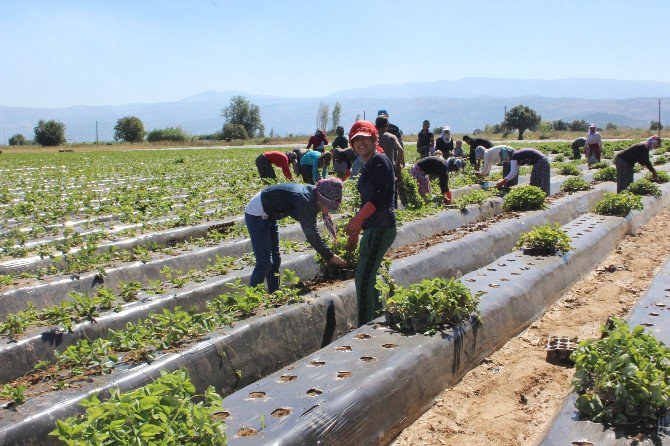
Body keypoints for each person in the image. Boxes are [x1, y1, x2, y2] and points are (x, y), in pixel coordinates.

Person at [245, 179, 347, 292]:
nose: (329, 210)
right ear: (323, 200)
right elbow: (311, 234)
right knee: (264, 262)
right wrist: (330, 257)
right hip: (256, 214)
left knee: (276, 259)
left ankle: (274, 292)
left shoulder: (314, 195)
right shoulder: (305, 200)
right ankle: (252, 296)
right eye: (329, 206)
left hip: (271, 214)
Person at [344, 120, 397, 326]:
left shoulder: (379, 161)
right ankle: (375, 318)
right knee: (368, 275)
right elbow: (369, 200)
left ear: (374, 139)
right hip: (374, 227)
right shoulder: (371, 163)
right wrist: (358, 228)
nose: (360, 143)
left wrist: (357, 221)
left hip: (381, 227)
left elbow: (378, 198)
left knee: (364, 277)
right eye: (356, 140)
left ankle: (366, 325)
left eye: (364, 138)